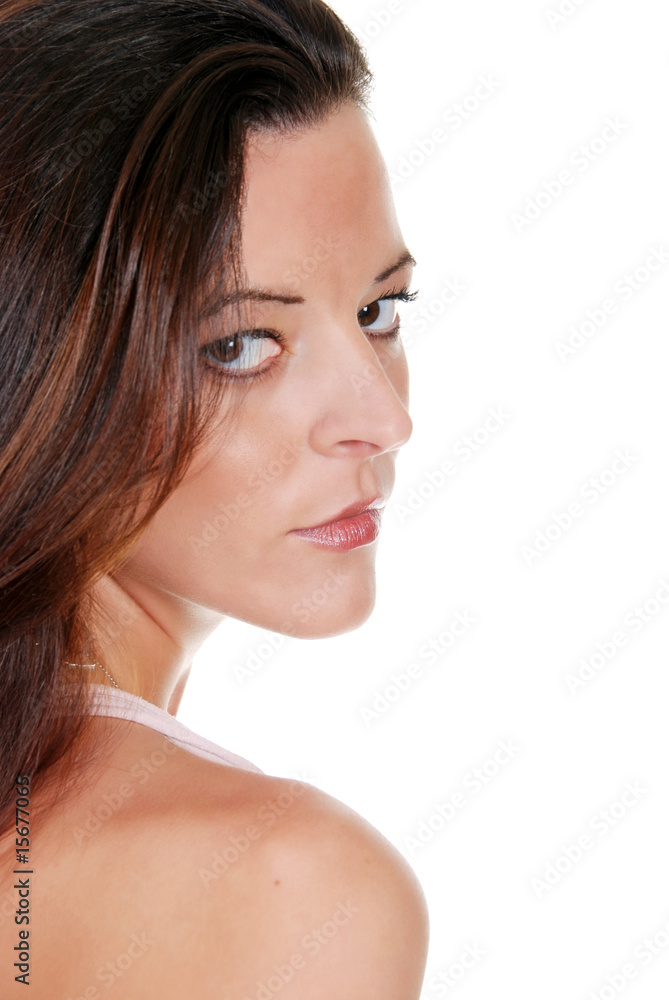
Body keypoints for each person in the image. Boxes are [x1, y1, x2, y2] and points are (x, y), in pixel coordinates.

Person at [0, 1, 430, 995]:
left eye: (377, 310)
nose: (381, 418)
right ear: (32, 368)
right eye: (239, 345)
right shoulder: (292, 888)